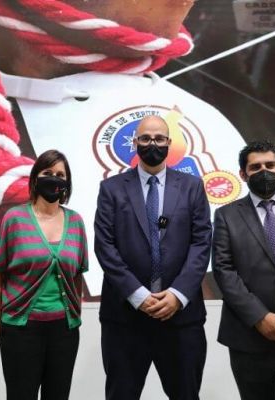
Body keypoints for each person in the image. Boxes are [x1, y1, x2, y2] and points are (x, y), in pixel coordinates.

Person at [94, 115, 212, 400]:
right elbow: (105, 246)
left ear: (169, 143)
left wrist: (177, 294)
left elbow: (201, 243)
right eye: (145, 138)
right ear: (135, 143)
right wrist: (138, 295)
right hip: (125, 318)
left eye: (159, 138)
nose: (152, 144)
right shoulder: (111, 188)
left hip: (181, 317)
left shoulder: (192, 187)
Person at [0, 149, 89, 400]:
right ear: (35, 178)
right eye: (48, 172)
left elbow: (77, 274)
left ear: (67, 183)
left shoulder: (76, 222)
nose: (54, 179)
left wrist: (75, 313)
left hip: (64, 331)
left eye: (60, 175)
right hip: (21, 330)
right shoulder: (14, 218)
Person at [212, 140, 275, 400]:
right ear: (243, 174)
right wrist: (260, 317)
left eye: (270, 165)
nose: (264, 171)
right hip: (248, 337)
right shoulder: (226, 215)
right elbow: (224, 270)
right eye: (255, 167)